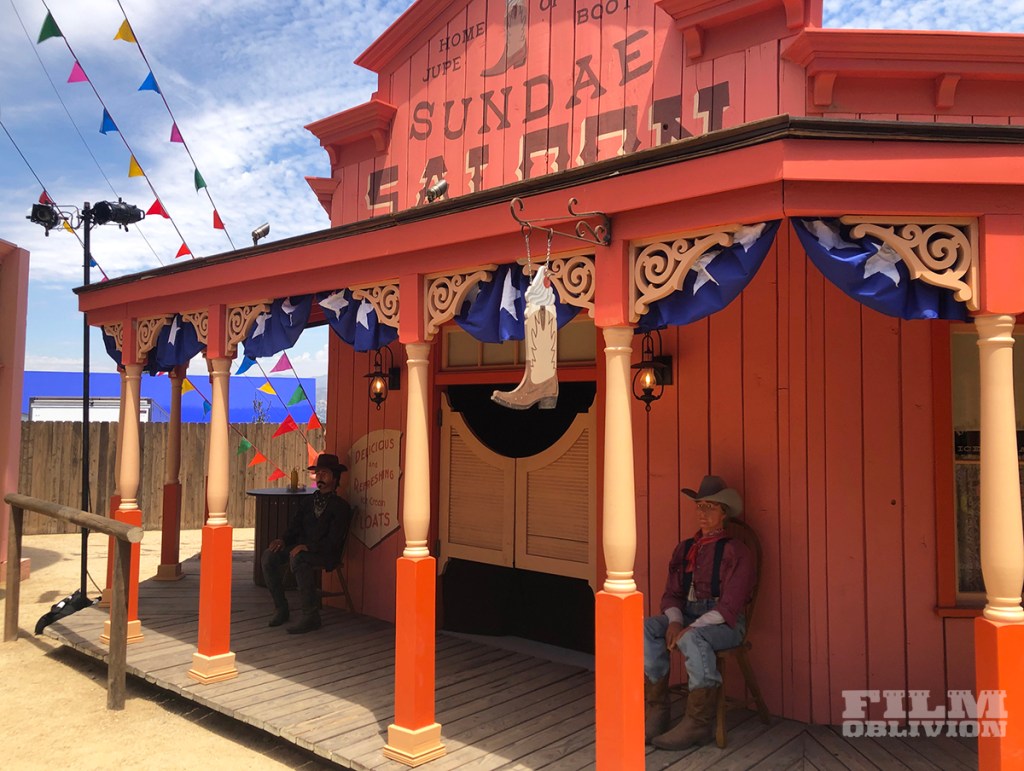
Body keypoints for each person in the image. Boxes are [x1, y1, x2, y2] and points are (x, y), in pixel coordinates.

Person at [644, 475, 755, 750]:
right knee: (647, 628)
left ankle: (698, 723)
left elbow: (729, 606)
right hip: (687, 615)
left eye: (710, 507)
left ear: (724, 513)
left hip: (725, 624)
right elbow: (672, 593)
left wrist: (690, 628)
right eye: (699, 506)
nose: (702, 513)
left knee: (694, 638)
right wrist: (675, 621)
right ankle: (658, 708)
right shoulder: (685, 549)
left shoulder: (737, 552)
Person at [261, 453, 353, 634]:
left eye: (324, 473)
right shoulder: (308, 502)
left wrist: (308, 547)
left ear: (335, 477)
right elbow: (294, 527)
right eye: (317, 473)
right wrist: (283, 540)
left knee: (299, 558)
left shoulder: (340, 506)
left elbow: (334, 540)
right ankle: (281, 608)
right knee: (268, 556)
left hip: (325, 552)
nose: (320, 477)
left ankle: (311, 615)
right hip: (301, 548)